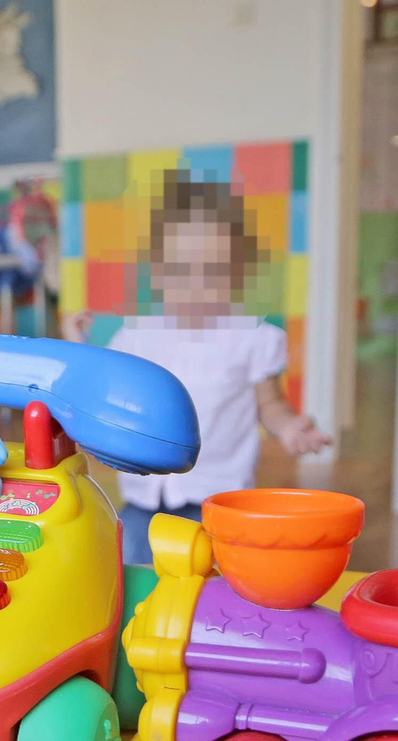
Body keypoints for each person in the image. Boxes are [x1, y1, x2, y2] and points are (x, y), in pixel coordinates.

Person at [63, 172, 332, 565]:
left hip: (216, 499)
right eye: (180, 271)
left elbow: (270, 404)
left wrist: (290, 428)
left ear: (237, 274)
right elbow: (101, 385)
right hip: (144, 494)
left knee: (210, 582)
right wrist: (76, 343)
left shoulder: (252, 338)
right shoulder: (138, 335)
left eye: (212, 272)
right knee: (131, 573)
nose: (195, 286)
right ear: (157, 273)